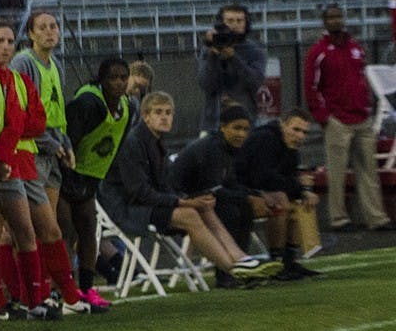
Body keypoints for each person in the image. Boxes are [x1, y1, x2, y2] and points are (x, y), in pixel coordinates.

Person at [98, 91, 282, 287]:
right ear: (146, 116)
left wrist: (192, 199)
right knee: (190, 214)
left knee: (205, 206)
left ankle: (241, 259)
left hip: (147, 203)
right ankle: (233, 269)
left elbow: (163, 185)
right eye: (158, 112)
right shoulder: (134, 143)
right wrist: (183, 201)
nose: (164, 117)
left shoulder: (156, 142)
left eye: (168, 113)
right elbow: (139, 192)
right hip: (126, 208)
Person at [0, 20, 93, 315]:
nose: (51, 32)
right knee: (11, 232)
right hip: (18, 155)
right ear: (31, 34)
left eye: (54, 26)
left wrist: (64, 143)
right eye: (43, 27)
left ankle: (55, 295)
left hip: (41, 150)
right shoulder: (23, 64)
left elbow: (42, 115)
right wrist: (45, 139)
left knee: (43, 228)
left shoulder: (53, 66)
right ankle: (24, 296)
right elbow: (18, 121)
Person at [303, 4, 395, 232]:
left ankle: (376, 217)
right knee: (337, 172)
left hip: (361, 116)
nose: (336, 21)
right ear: (324, 22)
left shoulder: (355, 47)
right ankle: (338, 218)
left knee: (368, 170)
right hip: (337, 120)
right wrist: (323, 116)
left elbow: (361, 79)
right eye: (331, 17)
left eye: (338, 16)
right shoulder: (318, 51)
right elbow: (311, 86)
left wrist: (366, 107)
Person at [167, 103, 265, 287]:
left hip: (200, 198)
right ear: (223, 127)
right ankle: (227, 274)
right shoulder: (212, 149)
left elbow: (229, 184)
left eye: (245, 129)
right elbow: (214, 190)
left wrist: (256, 196)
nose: (241, 134)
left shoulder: (229, 148)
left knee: (244, 208)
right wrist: (247, 197)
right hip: (180, 201)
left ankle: (242, 267)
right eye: (237, 128)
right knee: (230, 211)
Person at [61, 57, 132, 306]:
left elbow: (117, 144)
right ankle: (65, 289)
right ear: (101, 80)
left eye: (124, 77)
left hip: (91, 177)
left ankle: (88, 288)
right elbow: (69, 138)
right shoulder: (88, 103)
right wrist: (67, 172)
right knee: (66, 231)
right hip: (67, 173)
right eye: (113, 78)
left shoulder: (128, 107)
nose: (119, 83)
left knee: (89, 230)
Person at [236, 108, 323, 279]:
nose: (300, 136)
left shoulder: (291, 150)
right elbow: (264, 177)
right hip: (240, 191)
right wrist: (299, 188)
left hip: (258, 190)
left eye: (304, 132)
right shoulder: (265, 139)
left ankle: (288, 261)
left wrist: (303, 191)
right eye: (296, 129)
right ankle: (277, 261)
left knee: (296, 204)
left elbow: (285, 179)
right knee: (281, 201)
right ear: (283, 124)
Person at [197, 4, 266, 130]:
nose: (235, 25)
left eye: (239, 21)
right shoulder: (209, 49)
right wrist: (213, 56)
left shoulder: (255, 51)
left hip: (245, 120)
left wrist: (233, 58)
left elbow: (254, 82)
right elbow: (206, 84)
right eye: (230, 21)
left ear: (246, 24)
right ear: (221, 23)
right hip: (213, 121)